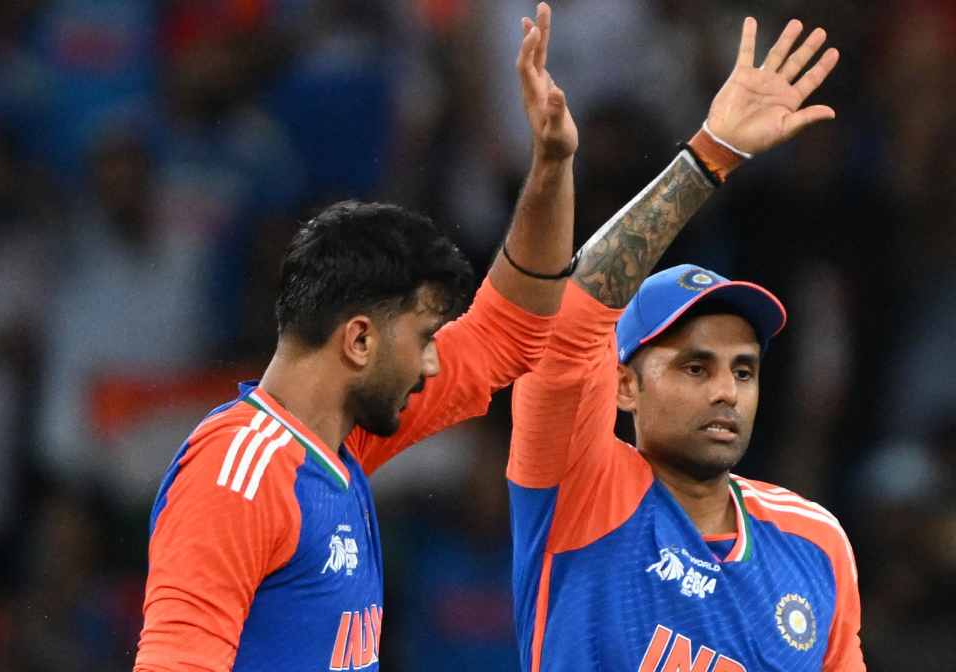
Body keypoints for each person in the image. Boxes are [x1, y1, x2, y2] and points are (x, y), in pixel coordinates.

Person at [133, 4, 577, 670]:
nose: (434, 363)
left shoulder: (337, 447)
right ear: (360, 341)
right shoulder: (240, 474)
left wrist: (551, 167)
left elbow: (507, 333)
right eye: (426, 336)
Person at [507, 17, 865, 671]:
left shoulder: (816, 543)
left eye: (744, 371)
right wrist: (711, 155)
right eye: (695, 367)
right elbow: (573, 309)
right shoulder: (578, 482)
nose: (727, 390)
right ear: (623, 384)